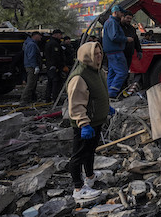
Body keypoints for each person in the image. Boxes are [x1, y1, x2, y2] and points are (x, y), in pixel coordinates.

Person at [66, 41, 113, 201]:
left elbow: (100, 94)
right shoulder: (80, 76)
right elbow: (76, 104)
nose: (99, 56)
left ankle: (90, 177)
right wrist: (83, 123)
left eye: (100, 53)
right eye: (95, 54)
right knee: (78, 154)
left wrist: (107, 108)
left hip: (96, 121)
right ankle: (78, 188)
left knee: (90, 152)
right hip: (84, 124)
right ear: (86, 56)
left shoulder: (98, 71)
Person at [102, 5, 133, 98]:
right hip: (116, 52)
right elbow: (114, 37)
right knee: (122, 72)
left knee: (112, 73)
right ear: (115, 12)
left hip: (111, 52)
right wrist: (126, 39)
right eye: (121, 13)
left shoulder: (109, 22)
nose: (122, 14)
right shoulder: (113, 23)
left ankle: (107, 92)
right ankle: (112, 92)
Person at [44, 29, 67, 102]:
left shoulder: (51, 42)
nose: (61, 36)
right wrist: (60, 66)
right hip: (55, 66)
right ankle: (55, 98)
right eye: (60, 35)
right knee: (56, 82)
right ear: (56, 34)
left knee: (50, 82)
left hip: (51, 66)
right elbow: (56, 56)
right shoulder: (54, 44)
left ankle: (48, 97)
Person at [21, 31, 43, 103]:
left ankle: (30, 99)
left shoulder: (29, 43)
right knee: (30, 84)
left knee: (32, 83)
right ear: (35, 36)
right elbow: (31, 56)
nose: (41, 37)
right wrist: (35, 66)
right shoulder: (32, 44)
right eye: (39, 36)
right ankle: (24, 100)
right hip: (31, 67)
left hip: (30, 66)